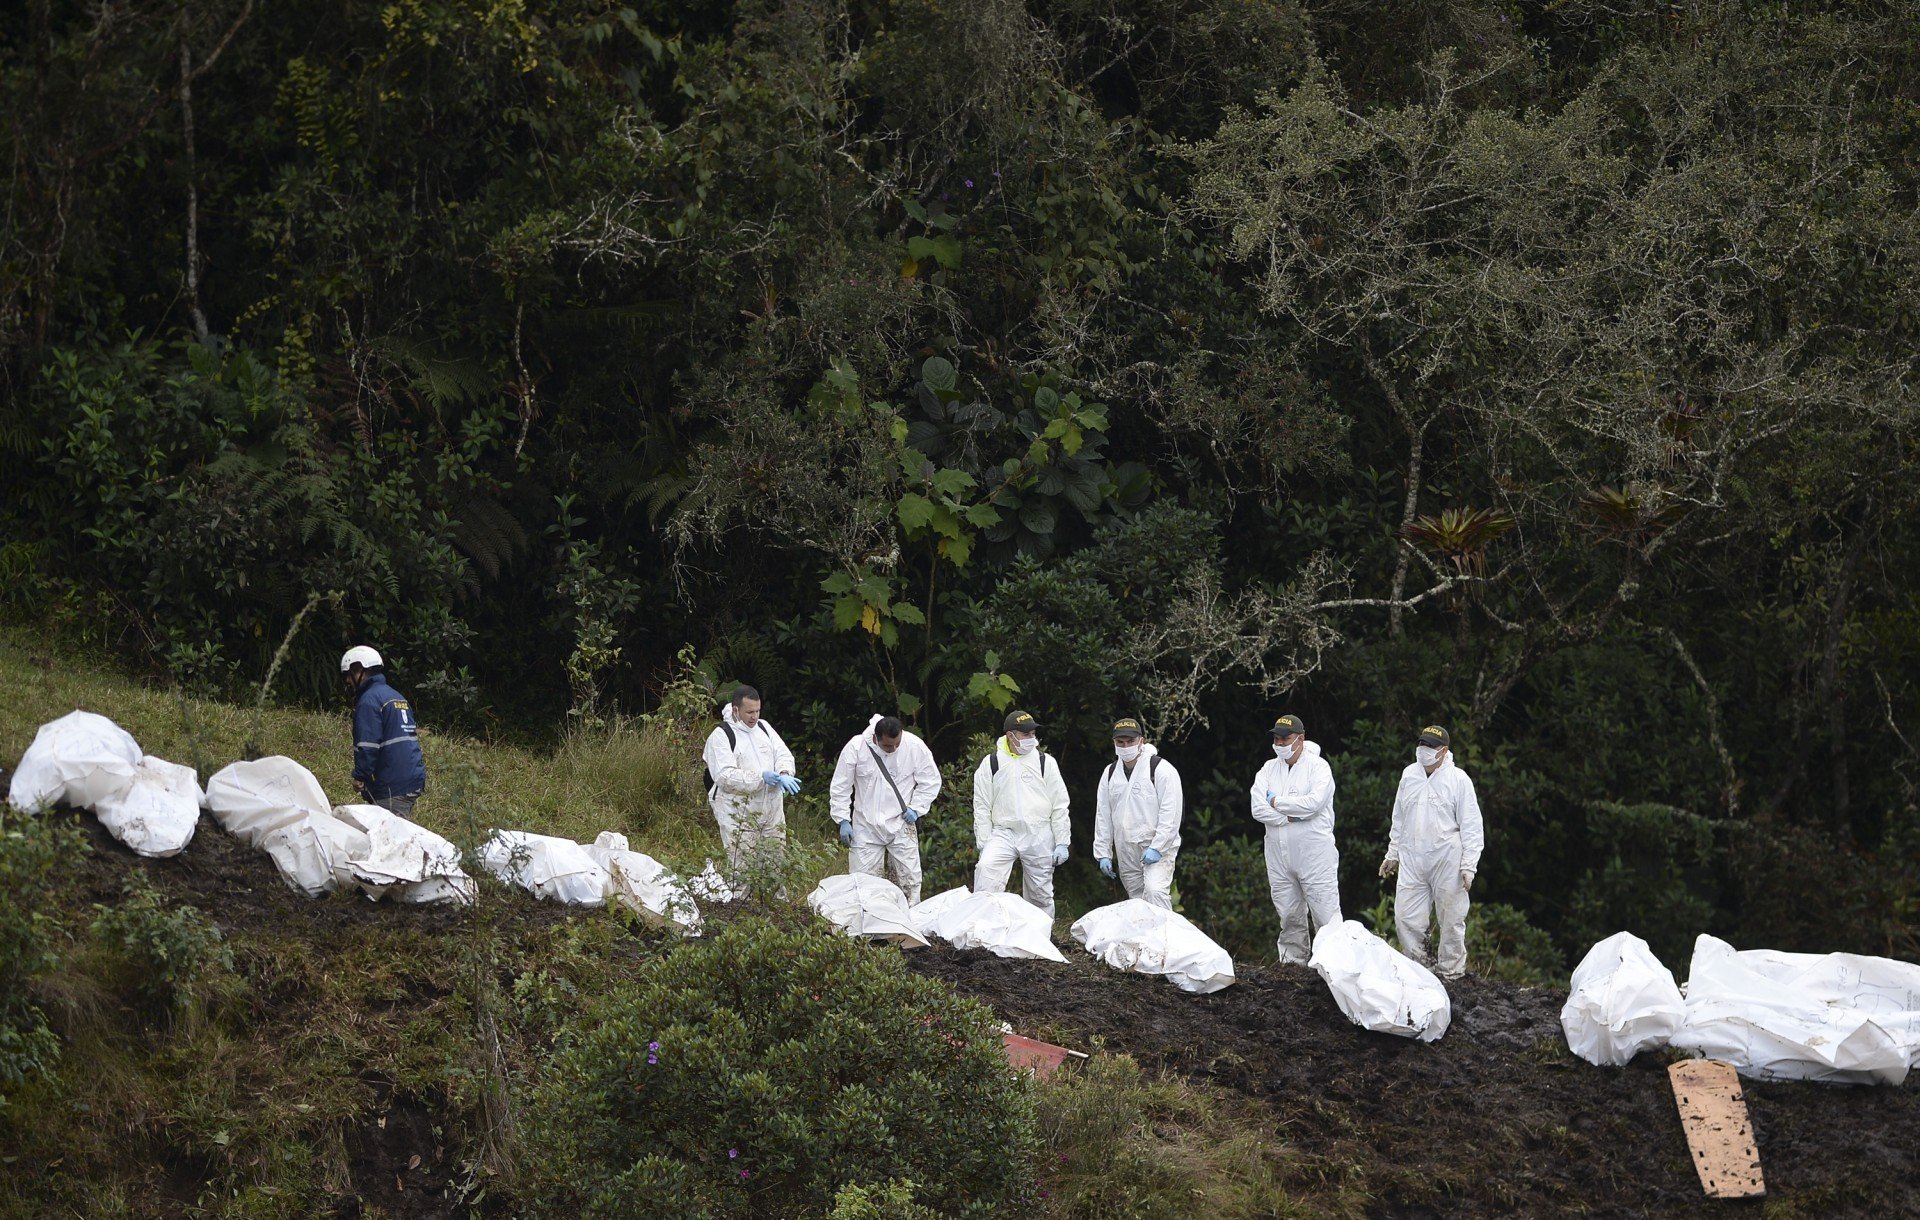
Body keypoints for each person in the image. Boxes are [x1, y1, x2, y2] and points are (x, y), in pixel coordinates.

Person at [1379, 724, 1484, 980]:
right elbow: (1399, 817)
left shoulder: (1458, 780)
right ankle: (1419, 971)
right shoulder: (1409, 775)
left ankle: (1451, 973)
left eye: (1431, 746)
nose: (1424, 750)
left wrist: (1469, 865)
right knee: (1406, 917)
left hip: (1447, 857)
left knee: (1451, 918)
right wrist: (1393, 853)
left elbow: (1471, 825)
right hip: (1412, 856)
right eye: (1422, 744)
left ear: (1444, 750)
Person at [1249, 713, 1340, 964]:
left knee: (1325, 914)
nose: (1279, 744)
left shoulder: (1318, 767)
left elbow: (1313, 804)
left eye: (1285, 738)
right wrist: (1287, 816)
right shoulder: (1268, 768)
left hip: (1314, 854)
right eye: (1276, 739)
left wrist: (1276, 802)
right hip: (1278, 854)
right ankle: (1292, 968)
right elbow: (1257, 809)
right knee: (1289, 914)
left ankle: (1333, 967)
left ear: (1300, 738)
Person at [829, 713, 941, 904]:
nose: (894, 749)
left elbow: (930, 780)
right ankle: (868, 929)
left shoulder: (914, 746)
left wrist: (917, 808)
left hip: (901, 823)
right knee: (863, 884)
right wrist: (843, 819)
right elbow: (841, 785)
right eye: (889, 746)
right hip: (866, 826)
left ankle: (908, 925)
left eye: (897, 744)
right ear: (876, 738)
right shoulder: (857, 747)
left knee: (909, 881)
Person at [972, 709, 1071, 916]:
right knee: (986, 872)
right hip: (1003, 832)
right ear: (1010, 735)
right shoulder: (992, 763)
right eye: (1026, 735)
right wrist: (983, 842)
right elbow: (982, 806)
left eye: (1033, 734)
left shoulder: (1045, 762)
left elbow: (1060, 804)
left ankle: (1041, 939)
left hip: (1038, 832)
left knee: (1040, 894)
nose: (1031, 739)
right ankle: (982, 933)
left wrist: (1062, 841)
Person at [702, 684, 801, 871]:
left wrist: (784, 773)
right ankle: (741, 900)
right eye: (749, 712)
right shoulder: (721, 736)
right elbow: (724, 776)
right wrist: (761, 777)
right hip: (737, 812)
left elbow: (783, 754)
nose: (754, 717)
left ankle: (775, 901)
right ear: (735, 710)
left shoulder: (763, 727)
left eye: (757, 711)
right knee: (742, 866)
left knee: (775, 864)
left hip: (771, 809)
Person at [1092, 716, 1183, 909]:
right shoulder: (1109, 774)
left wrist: (1158, 847)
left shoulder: (1160, 769)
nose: (1125, 746)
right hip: (1125, 847)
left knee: (1155, 891)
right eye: (1120, 742)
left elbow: (1171, 813)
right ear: (1114, 743)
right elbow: (1103, 814)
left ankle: (1166, 938)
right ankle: (1144, 940)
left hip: (1156, 845)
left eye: (1130, 741)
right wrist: (1103, 853)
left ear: (1141, 740)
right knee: (1137, 901)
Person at [341, 646, 427, 817]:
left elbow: (368, 745)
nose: (348, 681)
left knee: (390, 840)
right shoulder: (397, 697)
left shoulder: (369, 701)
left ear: (359, 671)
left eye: (348, 675)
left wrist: (360, 777)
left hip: (392, 786)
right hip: (411, 778)